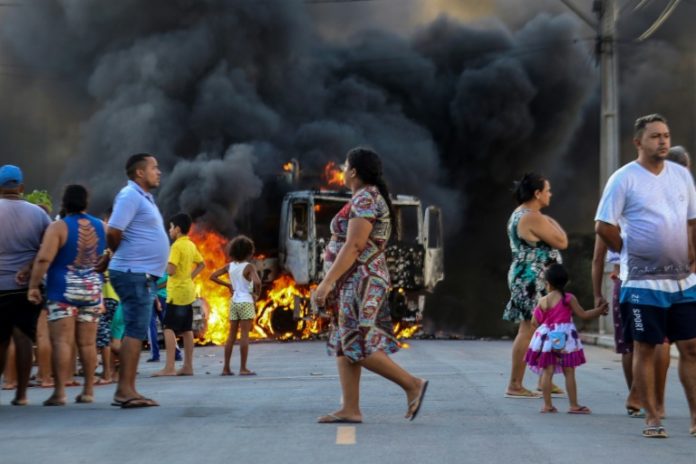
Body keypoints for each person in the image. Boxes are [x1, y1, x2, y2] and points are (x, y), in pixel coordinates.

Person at [595, 113, 696, 438]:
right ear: (638, 142)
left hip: (683, 281)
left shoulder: (681, 176)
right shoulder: (623, 179)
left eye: (666, 135)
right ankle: (652, 416)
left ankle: (695, 418)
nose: (663, 141)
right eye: (655, 136)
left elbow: (692, 221)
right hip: (641, 282)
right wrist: (628, 250)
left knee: (691, 346)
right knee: (646, 347)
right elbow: (603, 225)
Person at [313, 147, 428, 423]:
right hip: (353, 279)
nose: (341, 169)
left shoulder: (365, 198)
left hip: (360, 279)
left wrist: (327, 283)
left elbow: (355, 244)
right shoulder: (366, 197)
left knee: (357, 344)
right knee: (344, 342)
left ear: (353, 171)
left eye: (344, 165)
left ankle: (412, 384)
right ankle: (350, 408)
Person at [96, 153, 169, 408]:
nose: (158, 172)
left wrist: (109, 255)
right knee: (136, 331)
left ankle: (127, 389)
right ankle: (125, 391)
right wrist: (112, 252)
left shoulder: (142, 198)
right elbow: (114, 230)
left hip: (139, 273)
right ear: (140, 173)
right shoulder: (129, 196)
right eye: (154, 167)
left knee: (136, 331)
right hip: (132, 272)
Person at [28, 184, 106, 405]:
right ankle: (89, 390)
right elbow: (116, 244)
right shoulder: (102, 226)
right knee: (89, 344)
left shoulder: (58, 227)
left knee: (62, 342)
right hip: (91, 291)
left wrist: (34, 285)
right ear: (86, 202)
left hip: (62, 291)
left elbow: (44, 259)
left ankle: (60, 392)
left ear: (64, 203)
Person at [504, 173, 568, 398]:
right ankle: (515, 384)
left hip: (527, 274)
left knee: (542, 326)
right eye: (547, 190)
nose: (550, 194)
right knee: (528, 328)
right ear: (537, 193)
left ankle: (544, 379)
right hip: (533, 278)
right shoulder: (533, 217)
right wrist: (551, 222)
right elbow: (562, 241)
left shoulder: (519, 214)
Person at [525, 264, 608, 413]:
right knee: (569, 371)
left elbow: (534, 322)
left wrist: (544, 326)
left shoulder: (543, 300)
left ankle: (547, 405)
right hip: (566, 339)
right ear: (565, 282)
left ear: (548, 283)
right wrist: (599, 311)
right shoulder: (569, 298)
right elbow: (584, 314)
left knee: (547, 371)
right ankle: (574, 405)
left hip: (549, 339)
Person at [0, 164, 51, 406]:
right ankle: (21, 395)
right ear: (21, 187)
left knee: (0, 341)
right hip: (27, 287)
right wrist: (29, 267)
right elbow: (48, 248)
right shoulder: (39, 214)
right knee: (23, 339)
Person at [152, 213, 204, 377]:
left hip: (176, 293)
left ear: (178, 229)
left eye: (171, 227)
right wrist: (190, 277)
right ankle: (188, 366)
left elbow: (171, 270)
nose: (169, 230)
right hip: (188, 291)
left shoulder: (176, 247)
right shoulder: (190, 245)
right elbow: (201, 264)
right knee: (187, 329)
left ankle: (169, 367)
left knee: (168, 328)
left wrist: (164, 266)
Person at [210, 235, 261, 376]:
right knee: (244, 335)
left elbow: (212, 276)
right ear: (249, 252)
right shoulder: (249, 267)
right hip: (246, 302)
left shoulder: (229, 266)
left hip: (234, 303)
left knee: (231, 336)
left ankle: (226, 368)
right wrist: (257, 294)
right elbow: (257, 282)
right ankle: (243, 368)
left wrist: (228, 285)